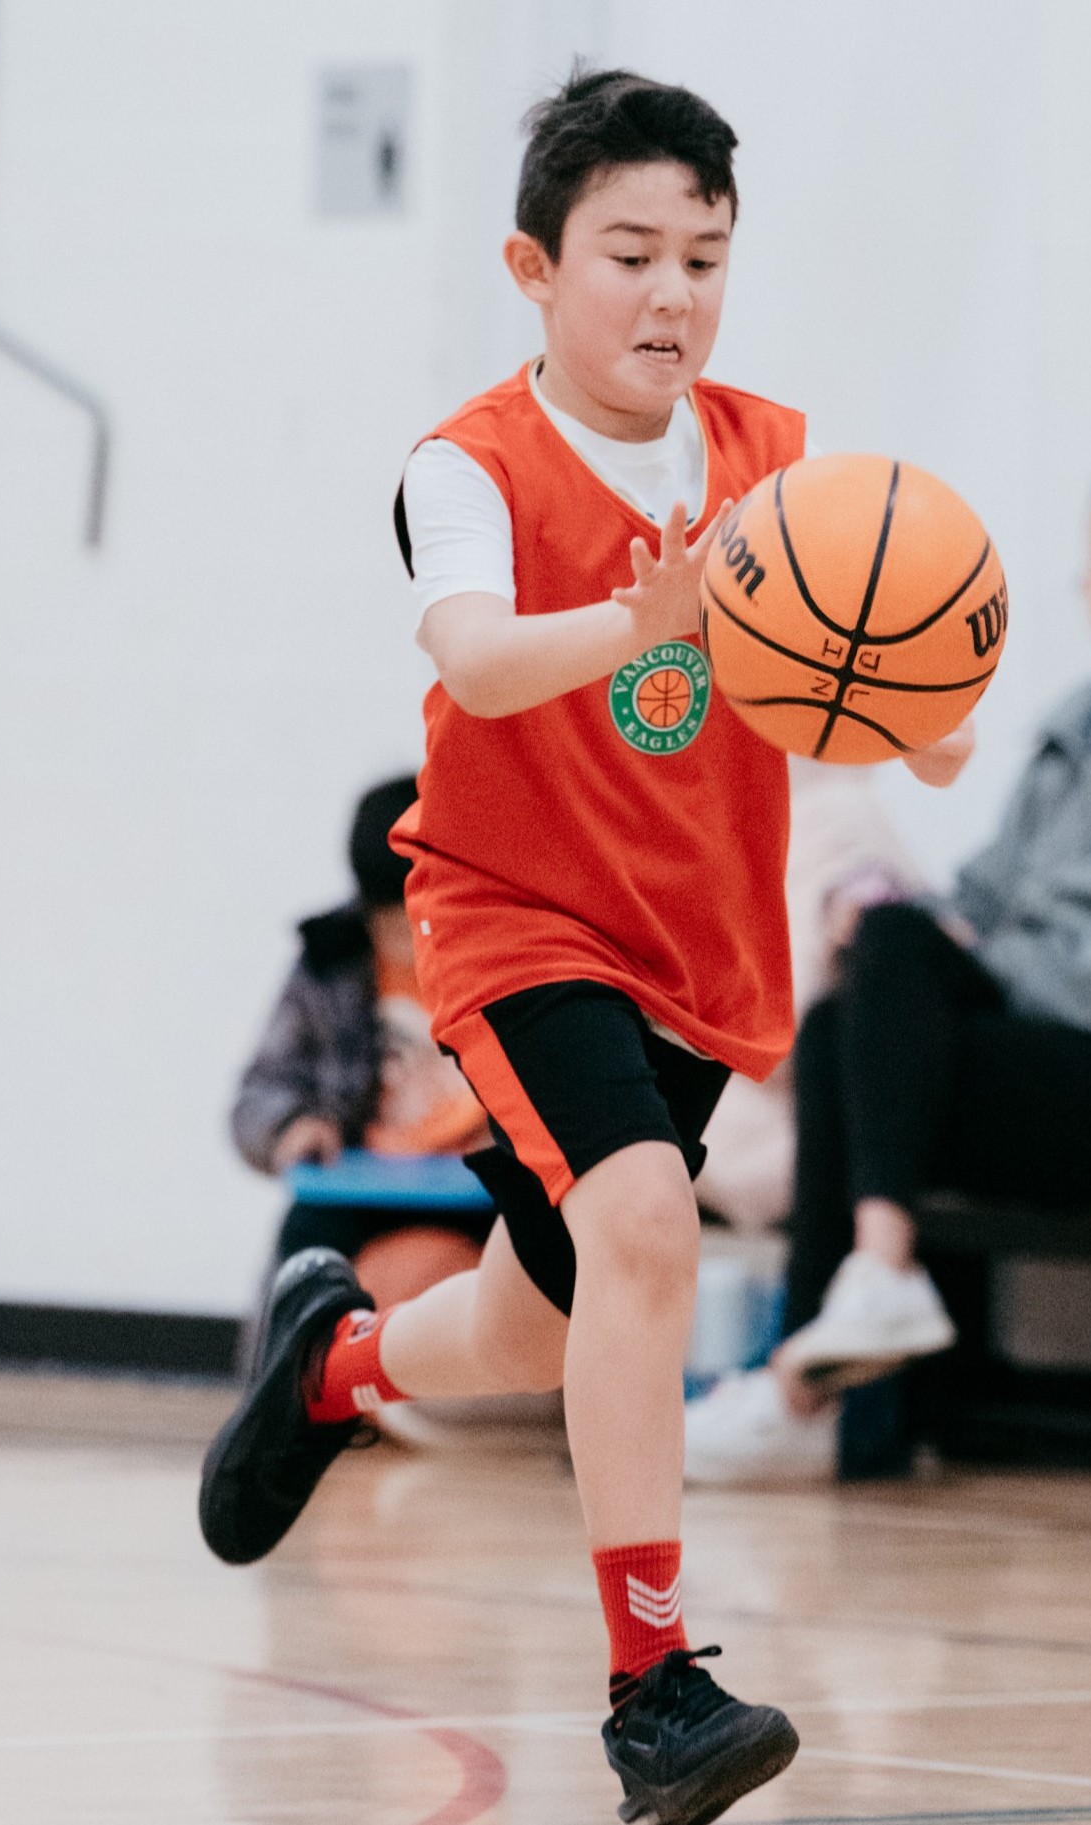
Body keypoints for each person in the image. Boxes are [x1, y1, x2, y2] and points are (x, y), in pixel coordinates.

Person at [195, 69, 968, 1824]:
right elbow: (471, 660)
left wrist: (917, 709)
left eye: (706, 254)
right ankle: (654, 1688)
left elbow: (886, 712)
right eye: (632, 252)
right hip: (517, 918)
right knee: (643, 1221)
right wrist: (643, 614)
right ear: (533, 269)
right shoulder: (468, 464)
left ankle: (333, 1362)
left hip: (697, 948)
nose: (675, 294)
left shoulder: (780, 461)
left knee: (546, 1329)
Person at [686, 463, 1091, 1482]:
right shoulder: (1071, 732)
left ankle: (810, 1378)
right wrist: (886, 920)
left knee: (885, 990)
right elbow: (977, 899)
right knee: (874, 961)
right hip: (1040, 1062)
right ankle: (852, 1321)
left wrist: (999, 961)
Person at [231, 774, 495, 1306]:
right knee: (302, 1262)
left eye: (423, 926)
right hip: (361, 1183)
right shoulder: (331, 964)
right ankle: (283, 1386)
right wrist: (292, 1128)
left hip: (486, 1185)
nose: (408, 946)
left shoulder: (504, 957)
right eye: (390, 927)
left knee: (556, 1252)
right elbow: (260, 1090)